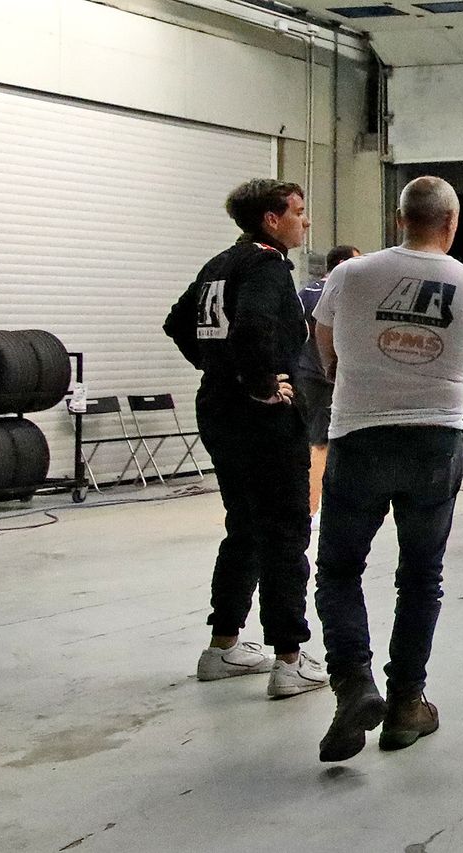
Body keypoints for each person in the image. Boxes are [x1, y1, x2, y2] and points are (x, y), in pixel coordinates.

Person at [312, 177, 463, 762]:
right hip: (434, 441)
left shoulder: (350, 275)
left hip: (359, 436)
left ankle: (353, 685)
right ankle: (406, 704)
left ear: (398, 220)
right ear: (452, 221)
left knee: (339, 570)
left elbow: (326, 350)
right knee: (420, 577)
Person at [163, 178, 327, 698]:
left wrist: (218, 371)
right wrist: (258, 384)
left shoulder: (219, 263)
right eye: (298, 212)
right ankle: (289, 658)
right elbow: (254, 325)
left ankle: (224, 646)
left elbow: (177, 323)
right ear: (271, 220)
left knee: (246, 526)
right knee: (284, 530)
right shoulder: (267, 265)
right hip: (260, 420)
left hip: (217, 412)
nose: (306, 221)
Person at [298, 244, 360, 528]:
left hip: (304, 375)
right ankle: (312, 510)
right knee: (321, 443)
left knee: (311, 440)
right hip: (325, 377)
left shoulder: (304, 293)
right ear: (343, 264)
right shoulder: (337, 294)